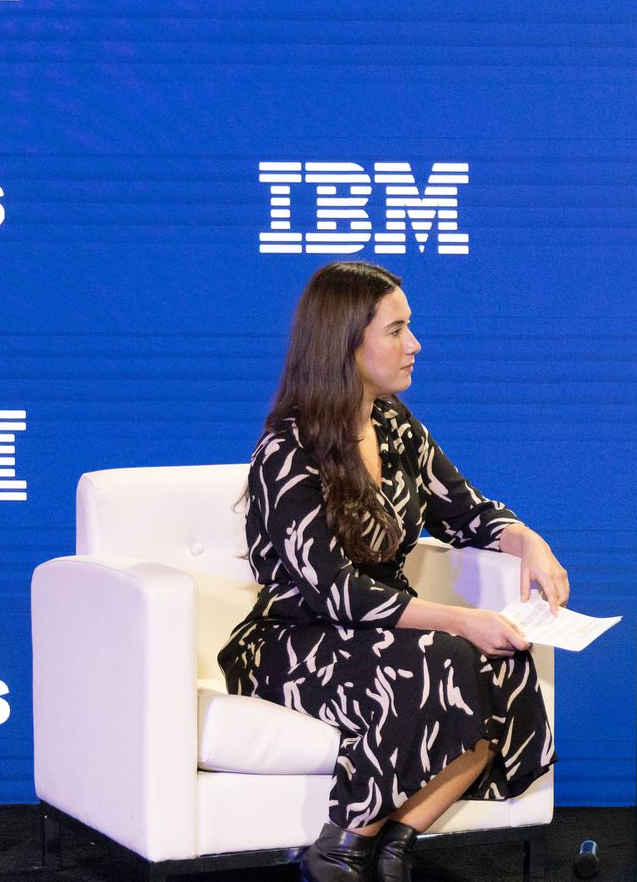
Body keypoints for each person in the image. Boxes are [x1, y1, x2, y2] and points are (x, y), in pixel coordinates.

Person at [218, 261, 571, 882]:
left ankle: (394, 847)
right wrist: (462, 618)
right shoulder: (288, 450)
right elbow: (336, 589)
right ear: (345, 343)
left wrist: (528, 540)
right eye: (396, 330)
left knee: (501, 661)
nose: (415, 345)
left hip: (385, 630)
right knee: (442, 654)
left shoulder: (397, 427)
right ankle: (343, 844)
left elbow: (467, 512)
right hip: (298, 638)